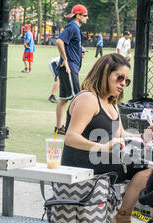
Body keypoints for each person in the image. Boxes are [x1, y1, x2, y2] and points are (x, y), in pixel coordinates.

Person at [61, 53, 153, 223]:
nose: (123, 83)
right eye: (119, 77)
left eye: (126, 80)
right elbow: (70, 137)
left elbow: (121, 135)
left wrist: (144, 136)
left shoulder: (111, 102)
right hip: (84, 162)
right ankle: (124, 217)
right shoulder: (88, 98)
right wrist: (102, 146)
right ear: (104, 74)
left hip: (104, 159)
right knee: (151, 166)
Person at [54, 4, 88, 135]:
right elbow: (59, 41)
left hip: (72, 67)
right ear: (78, 16)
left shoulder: (76, 28)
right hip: (69, 68)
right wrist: (66, 61)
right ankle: (74, 128)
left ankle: (59, 127)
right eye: (85, 15)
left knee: (63, 99)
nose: (87, 18)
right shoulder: (72, 26)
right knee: (77, 98)